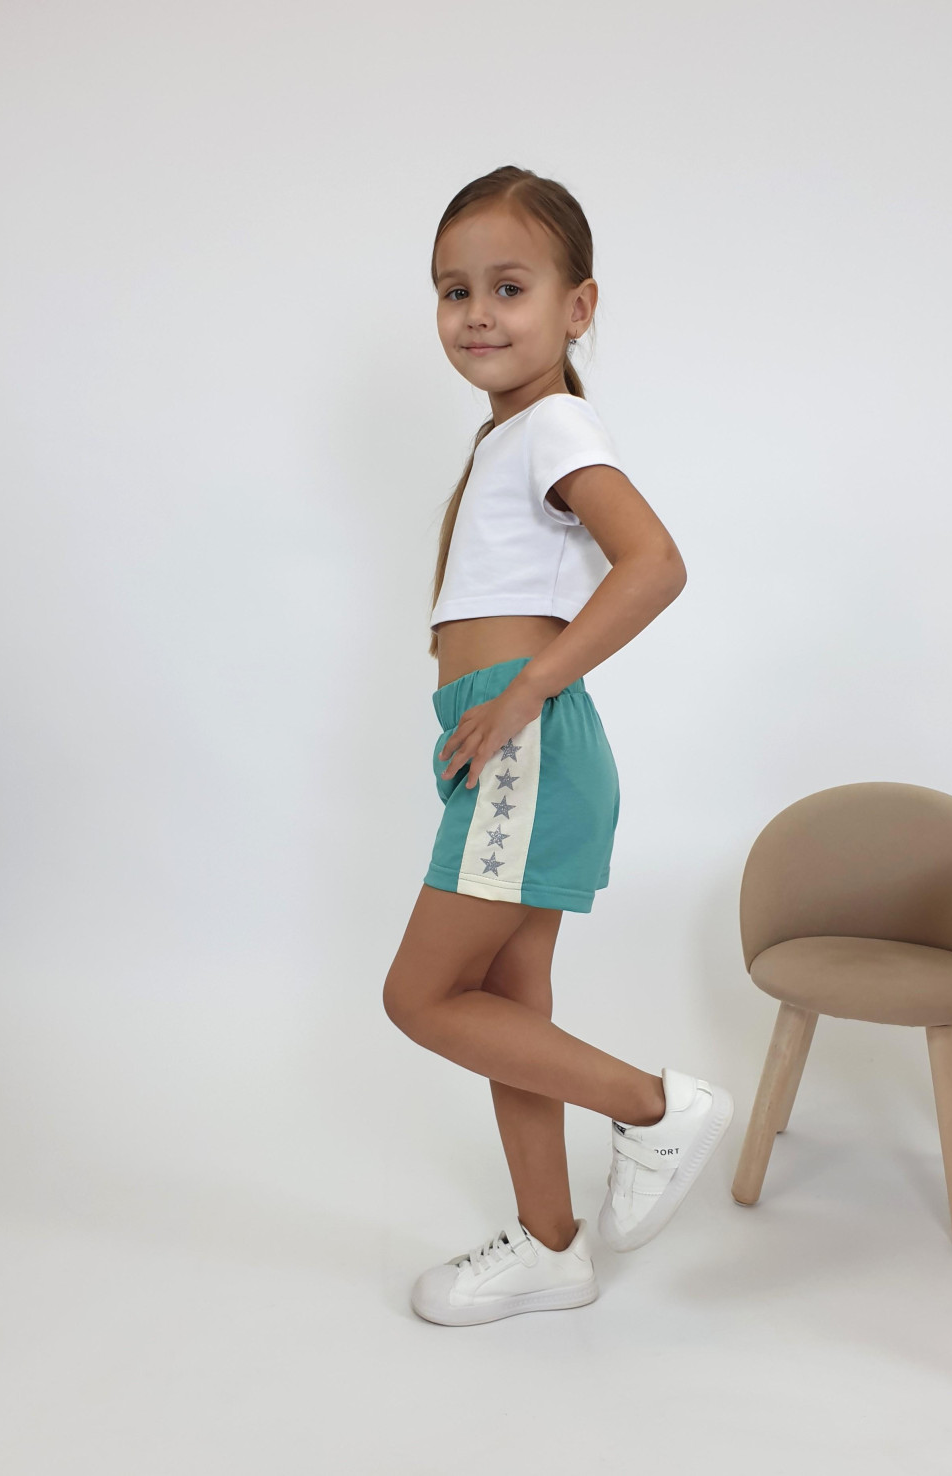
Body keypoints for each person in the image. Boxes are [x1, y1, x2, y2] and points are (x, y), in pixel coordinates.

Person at [382, 165, 732, 1326]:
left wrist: (521, 692)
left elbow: (654, 564)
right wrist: (489, 709)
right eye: (454, 291)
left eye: (509, 287)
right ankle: (548, 1245)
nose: (476, 314)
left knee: (420, 996)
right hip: (509, 743)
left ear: (576, 307)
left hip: (525, 738)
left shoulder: (552, 425)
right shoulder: (506, 437)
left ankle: (653, 1109)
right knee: (505, 1006)